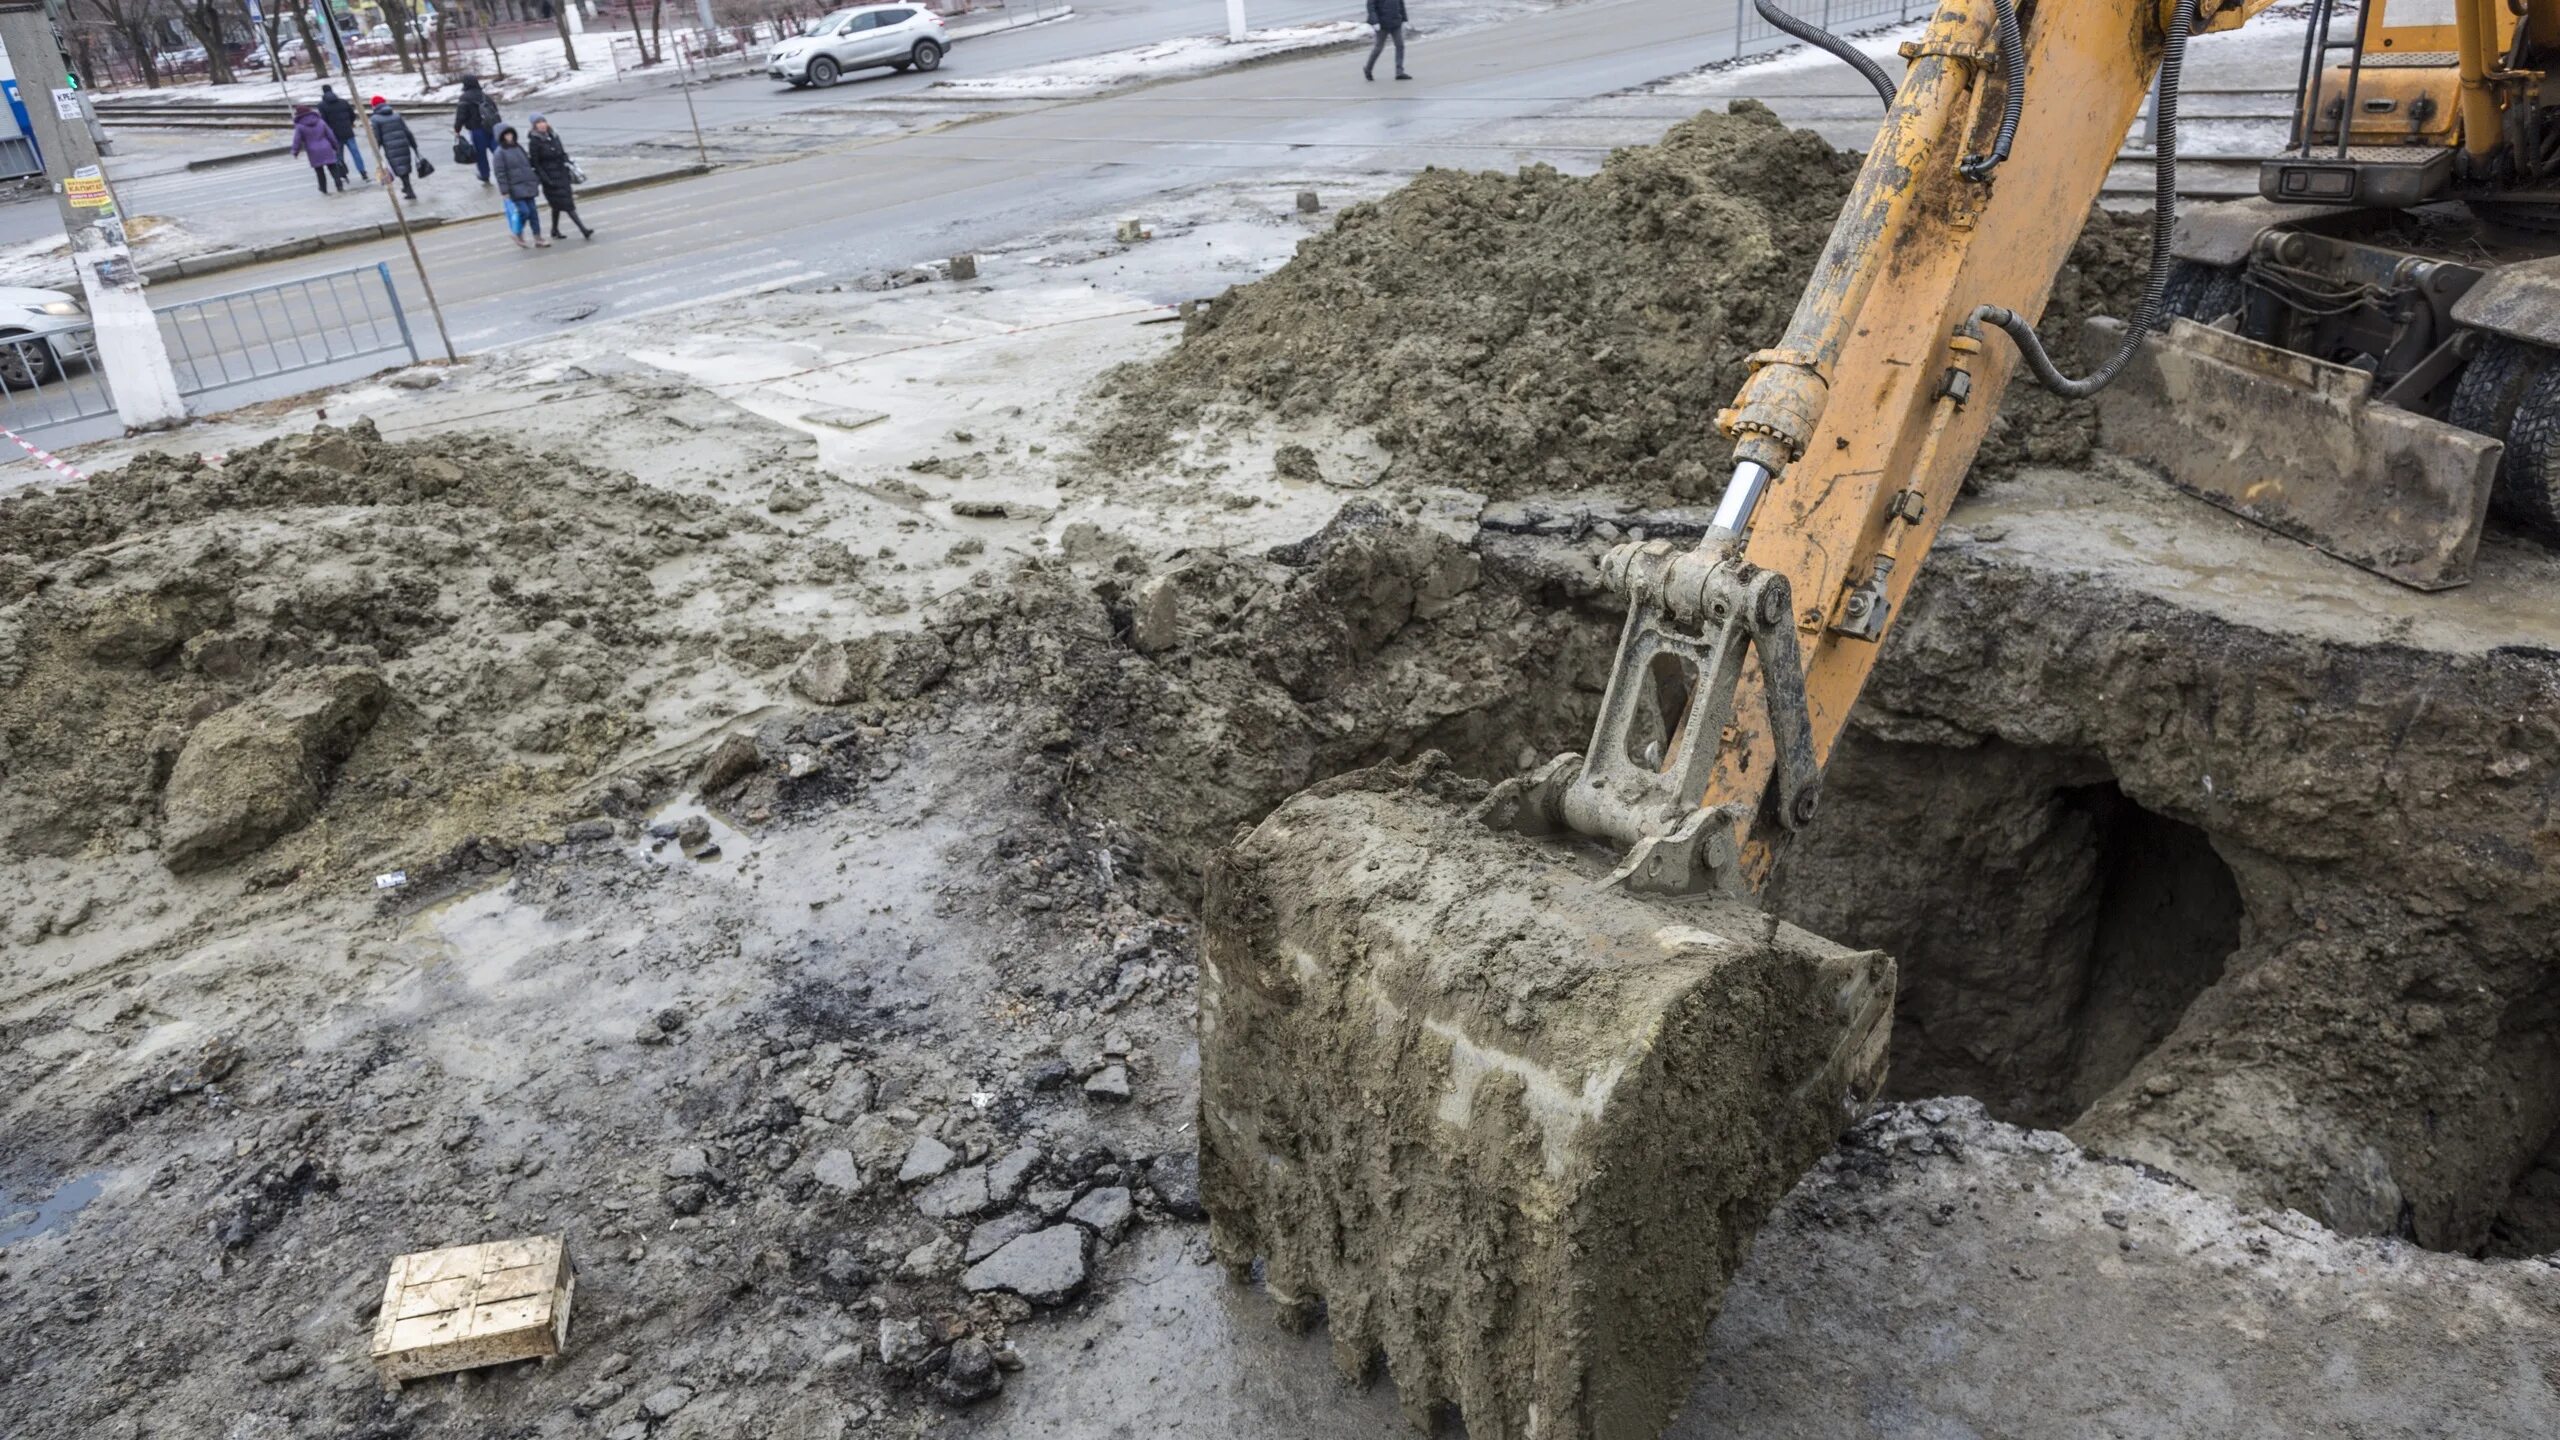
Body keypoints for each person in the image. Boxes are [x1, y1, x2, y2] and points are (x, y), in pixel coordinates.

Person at [526, 115, 594, 241]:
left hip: (562, 174)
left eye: (543, 121)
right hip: (550, 179)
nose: (542, 124)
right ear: (534, 126)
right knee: (568, 205)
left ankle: (554, 230)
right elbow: (535, 163)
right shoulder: (534, 142)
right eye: (538, 123)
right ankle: (583, 230)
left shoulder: (554, 136)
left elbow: (562, 153)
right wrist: (545, 179)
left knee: (557, 205)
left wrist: (569, 164)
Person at [491, 126, 548, 248]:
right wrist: (505, 190)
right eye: (506, 135)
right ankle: (517, 233)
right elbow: (500, 173)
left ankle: (538, 237)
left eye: (510, 134)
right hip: (515, 188)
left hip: (528, 184)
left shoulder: (518, 147)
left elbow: (527, 164)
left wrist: (535, 179)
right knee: (524, 211)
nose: (509, 137)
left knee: (533, 213)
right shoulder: (499, 153)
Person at [370, 96, 421, 201]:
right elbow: (407, 131)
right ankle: (407, 188)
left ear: (374, 106)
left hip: (390, 147)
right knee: (404, 166)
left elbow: (377, 136)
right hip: (403, 144)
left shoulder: (375, 119)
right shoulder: (396, 115)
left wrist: (376, 149)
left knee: (399, 167)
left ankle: (409, 190)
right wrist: (414, 145)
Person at [454, 75, 502, 186]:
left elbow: (461, 116)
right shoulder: (485, 96)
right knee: (498, 151)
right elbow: (494, 111)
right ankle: (505, 171)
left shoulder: (464, 98)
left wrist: (457, 129)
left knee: (481, 155)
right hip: (492, 128)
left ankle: (485, 175)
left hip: (477, 130)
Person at [289, 104, 346, 195]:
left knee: (319, 171)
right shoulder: (320, 121)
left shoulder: (300, 126)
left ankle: (323, 188)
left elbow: (297, 140)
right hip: (326, 147)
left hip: (313, 150)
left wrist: (295, 151)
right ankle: (339, 185)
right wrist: (335, 146)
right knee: (333, 168)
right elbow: (330, 135)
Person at [316, 84, 369, 182]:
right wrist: (349, 124)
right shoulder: (343, 102)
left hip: (335, 134)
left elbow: (324, 121)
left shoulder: (322, 106)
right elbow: (352, 115)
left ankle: (343, 174)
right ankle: (363, 172)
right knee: (355, 153)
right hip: (348, 132)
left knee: (338, 155)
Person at [1364, 0, 1411, 81]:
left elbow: (1400, 3)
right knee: (1379, 47)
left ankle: (1399, 72)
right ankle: (1368, 69)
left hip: (1396, 21)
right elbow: (1371, 7)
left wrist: (1405, 18)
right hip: (1382, 23)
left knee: (1400, 45)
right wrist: (1375, 22)